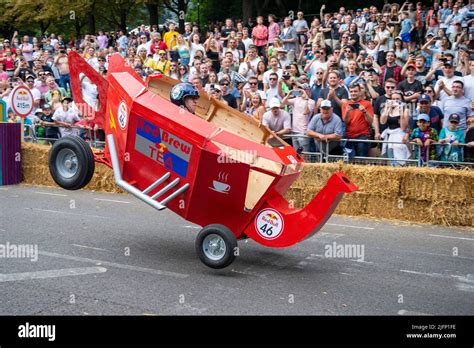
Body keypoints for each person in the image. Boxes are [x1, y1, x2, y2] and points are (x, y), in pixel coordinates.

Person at [342, 84, 374, 158]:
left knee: (362, 160)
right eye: (351, 91)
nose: (353, 93)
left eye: (355, 91)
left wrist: (365, 111)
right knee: (349, 160)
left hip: (363, 136)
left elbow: (370, 122)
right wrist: (347, 112)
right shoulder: (345, 105)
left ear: (360, 92)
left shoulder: (367, 104)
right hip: (349, 136)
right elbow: (346, 122)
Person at [281, 83, 315, 152]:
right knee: (296, 153)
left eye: (306, 90)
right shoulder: (296, 99)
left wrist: (306, 99)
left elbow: (306, 112)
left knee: (305, 154)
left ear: (309, 91)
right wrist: (288, 94)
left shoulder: (311, 101)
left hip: (303, 131)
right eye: (302, 89)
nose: (303, 91)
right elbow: (283, 103)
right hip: (294, 131)